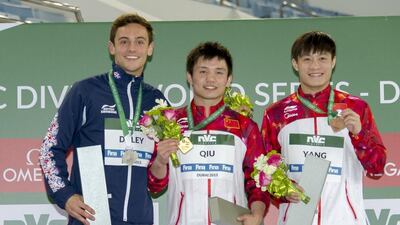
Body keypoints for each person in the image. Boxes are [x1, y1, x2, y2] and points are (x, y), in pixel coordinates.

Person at [39, 13, 173, 225]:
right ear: (111, 47)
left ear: (150, 49)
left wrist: (161, 165)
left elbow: (157, 184)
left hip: (141, 220)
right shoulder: (85, 91)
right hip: (93, 219)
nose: (131, 49)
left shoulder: (157, 103)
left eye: (139, 42)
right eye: (124, 42)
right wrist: (65, 195)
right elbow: (49, 148)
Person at [261, 31, 387, 225]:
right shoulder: (276, 113)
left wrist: (359, 134)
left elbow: (377, 169)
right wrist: (282, 190)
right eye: (307, 59)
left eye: (322, 58)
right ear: (295, 64)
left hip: (345, 219)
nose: (315, 66)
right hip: (296, 220)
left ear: (333, 62)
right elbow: (264, 170)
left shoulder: (356, 108)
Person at [158, 42, 269, 225]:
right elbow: (155, 185)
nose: (210, 79)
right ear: (189, 77)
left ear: (229, 79)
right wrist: (160, 161)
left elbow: (258, 179)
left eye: (219, 72)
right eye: (203, 71)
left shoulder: (245, 126)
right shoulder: (170, 122)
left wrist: (257, 214)